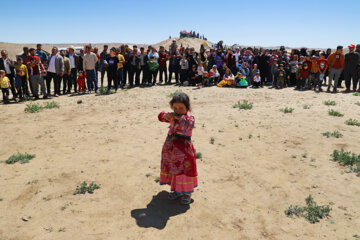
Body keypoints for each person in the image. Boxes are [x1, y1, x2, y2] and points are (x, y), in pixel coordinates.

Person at [158, 92, 197, 205]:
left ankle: (187, 193)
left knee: (184, 171)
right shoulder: (173, 116)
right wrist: (165, 115)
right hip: (171, 148)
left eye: (181, 108)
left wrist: (175, 117)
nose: (178, 110)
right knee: (174, 169)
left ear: (187, 107)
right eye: (175, 108)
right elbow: (160, 117)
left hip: (184, 150)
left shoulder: (189, 118)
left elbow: (187, 123)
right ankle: (177, 190)